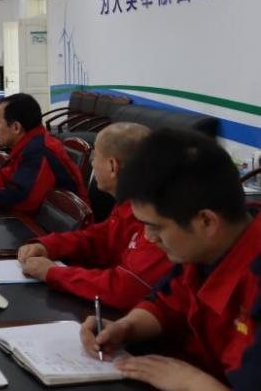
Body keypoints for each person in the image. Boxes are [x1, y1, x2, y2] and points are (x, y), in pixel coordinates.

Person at [80, 129, 260, 391]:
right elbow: (168, 301)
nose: (148, 237)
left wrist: (191, 382)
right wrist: (126, 327)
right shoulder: (204, 250)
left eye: (155, 227)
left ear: (206, 221)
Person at [17, 122, 172, 309]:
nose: (92, 163)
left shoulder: (158, 218)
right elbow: (99, 239)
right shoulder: (128, 202)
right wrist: (48, 245)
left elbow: (125, 288)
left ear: (113, 166)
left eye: (95, 157)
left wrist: (53, 273)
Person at [0, 92, 85, 211]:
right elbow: (1, 179)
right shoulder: (29, 144)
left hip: (54, 229)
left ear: (16, 127)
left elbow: (19, 199)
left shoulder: (39, 151)